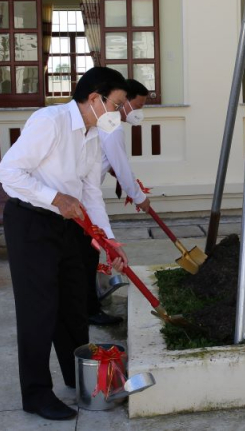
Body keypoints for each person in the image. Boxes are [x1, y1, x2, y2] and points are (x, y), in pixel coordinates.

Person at [0, 66, 129, 422]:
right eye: (117, 105)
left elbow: (89, 191)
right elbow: (7, 173)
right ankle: (37, 394)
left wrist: (108, 239)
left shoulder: (92, 133)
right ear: (95, 98)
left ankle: (78, 375)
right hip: (31, 223)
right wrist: (54, 197)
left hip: (70, 225)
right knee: (39, 309)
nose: (120, 114)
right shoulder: (50, 121)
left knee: (72, 304)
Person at [87, 78, 151, 326]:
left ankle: (88, 301)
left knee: (87, 250)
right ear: (123, 102)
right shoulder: (112, 125)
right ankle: (89, 306)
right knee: (88, 252)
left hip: (85, 193)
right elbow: (122, 167)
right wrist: (139, 197)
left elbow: (110, 160)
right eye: (137, 104)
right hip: (80, 196)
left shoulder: (105, 123)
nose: (138, 112)